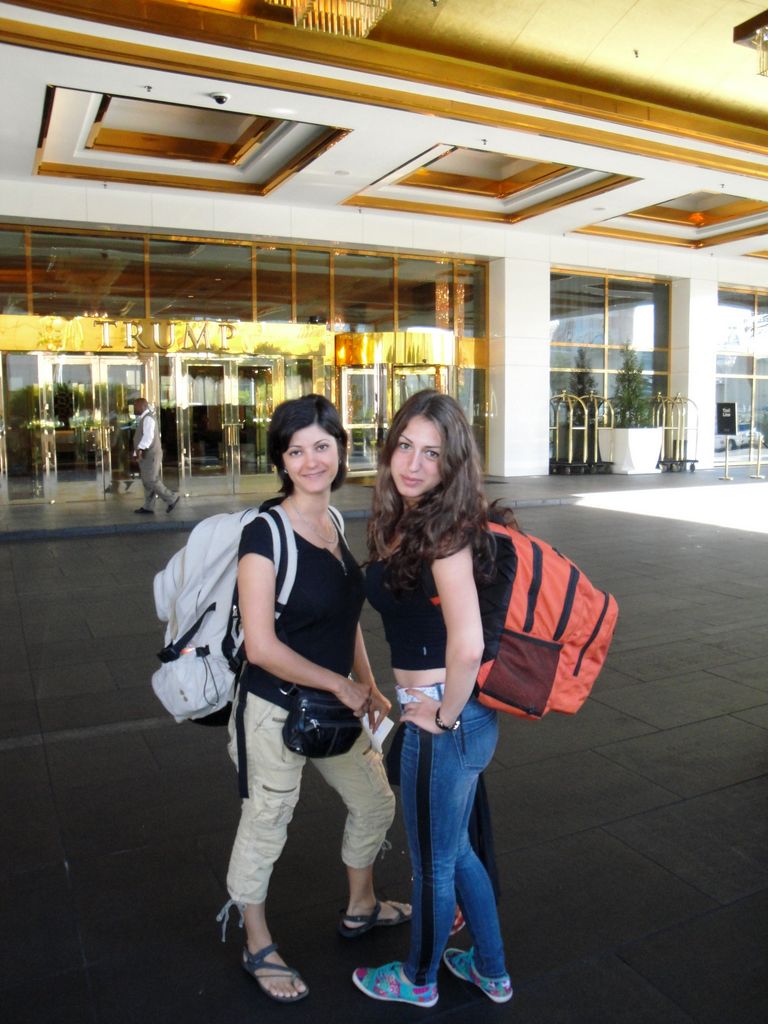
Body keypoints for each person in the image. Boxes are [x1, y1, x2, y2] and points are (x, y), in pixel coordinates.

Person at [217, 394, 410, 1004]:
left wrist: (367, 684)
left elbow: (345, 620)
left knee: (375, 802)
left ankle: (361, 905)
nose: (311, 461)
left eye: (322, 446)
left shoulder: (334, 525)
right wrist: (339, 684)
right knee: (267, 821)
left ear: (341, 450)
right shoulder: (264, 533)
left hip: (334, 707)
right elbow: (262, 646)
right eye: (296, 450)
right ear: (281, 460)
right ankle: (255, 942)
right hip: (273, 709)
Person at [353, 390, 513, 1008]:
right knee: (458, 850)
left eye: (431, 453)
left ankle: (417, 980)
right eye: (405, 446)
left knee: (432, 866)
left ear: (453, 463)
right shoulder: (414, 521)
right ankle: (491, 970)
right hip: (463, 714)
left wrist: (440, 717)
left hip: (448, 716)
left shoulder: (445, 535)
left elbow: (467, 644)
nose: (414, 463)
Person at [130, 396, 179, 514]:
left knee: (151, 479)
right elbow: (141, 437)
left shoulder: (148, 418)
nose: (134, 408)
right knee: (147, 481)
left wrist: (140, 450)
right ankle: (148, 506)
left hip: (150, 454)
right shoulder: (144, 418)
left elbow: (148, 437)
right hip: (146, 454)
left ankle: (172, 498)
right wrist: (136, 452)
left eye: (135, 406)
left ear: (143, 406)